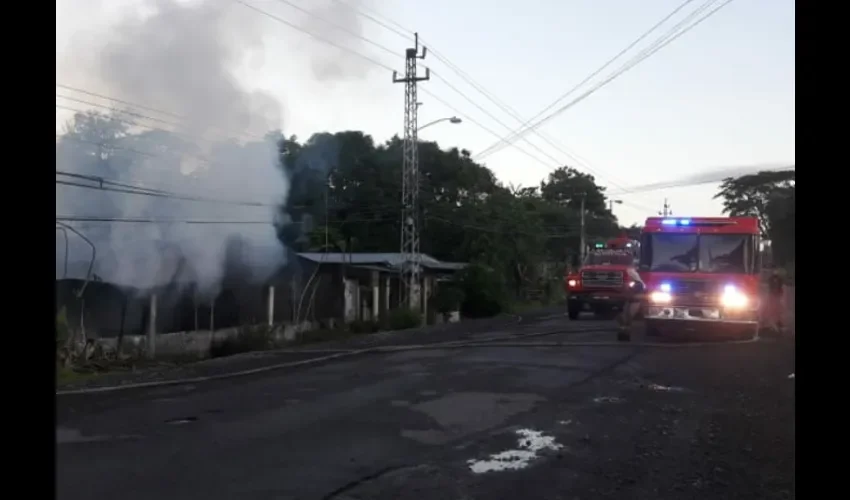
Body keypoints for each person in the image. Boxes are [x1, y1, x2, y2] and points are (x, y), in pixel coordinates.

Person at [765, 268, 786, 333]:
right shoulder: (771, 279)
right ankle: (774, 323)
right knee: (773, 309)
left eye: (776, 271)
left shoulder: (779, 279)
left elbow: (780, 286)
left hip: (777, 295)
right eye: (775, 271)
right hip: (773, 295)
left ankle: (777, 323)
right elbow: (770, 285)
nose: (776, 272)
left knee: (777, 309)